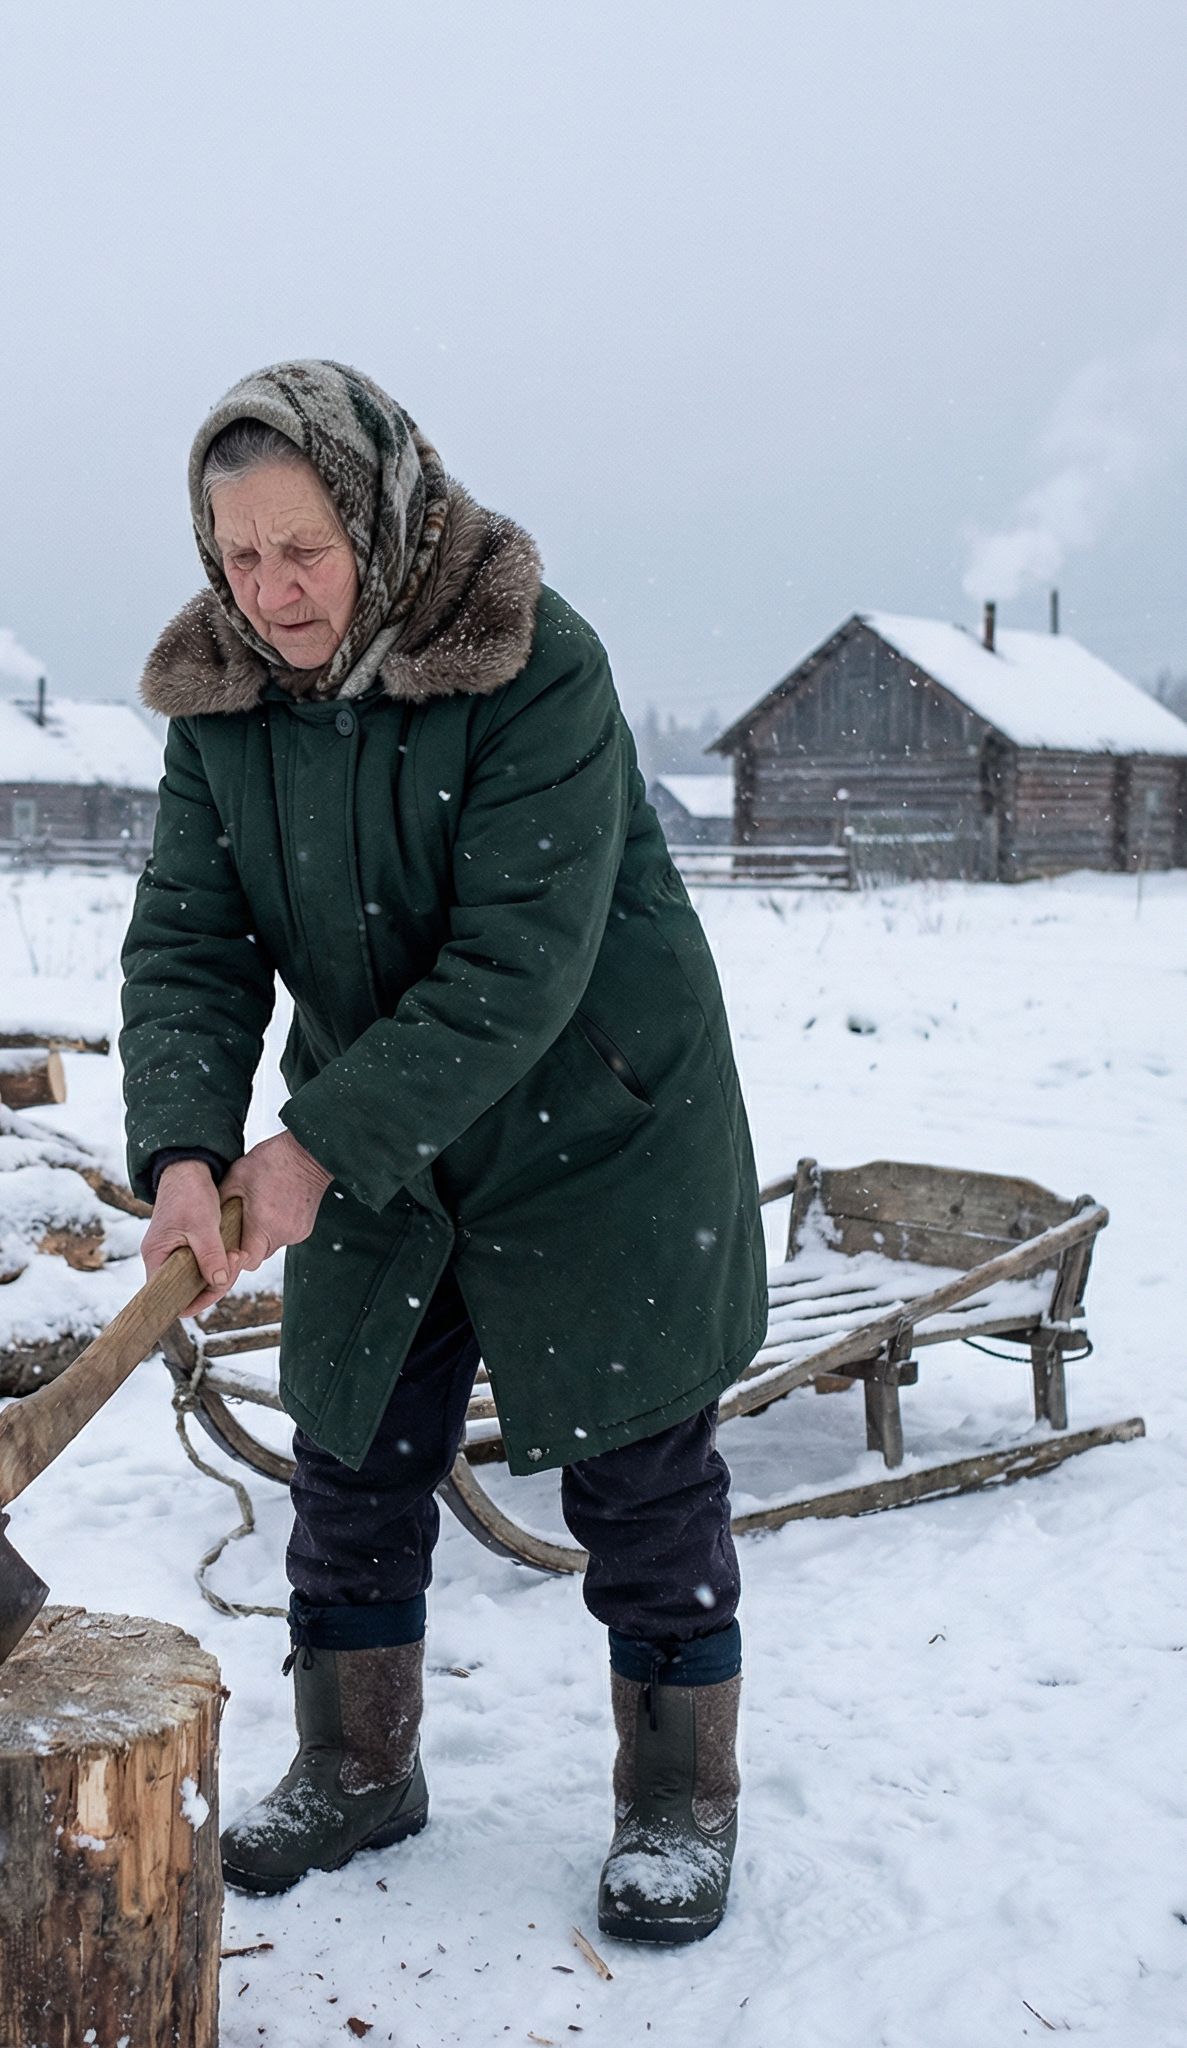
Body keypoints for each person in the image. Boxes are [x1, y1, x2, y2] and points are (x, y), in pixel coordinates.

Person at [119, 360, 765, 1945]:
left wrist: (313, 1146)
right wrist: (189, 1150)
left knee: (642, 1474)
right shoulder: (223, 705)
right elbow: (191, 946)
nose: (271, 592)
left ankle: (678, 1799)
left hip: (600, 1121)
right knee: (349, 1444)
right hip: (385, 1128)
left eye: (305, 550)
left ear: (383, 517)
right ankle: (356, 1764)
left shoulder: (534, 661)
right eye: (240, 554)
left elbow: (517, 971)